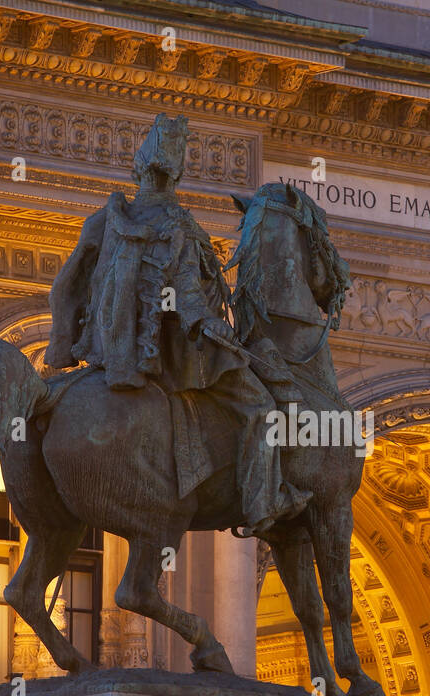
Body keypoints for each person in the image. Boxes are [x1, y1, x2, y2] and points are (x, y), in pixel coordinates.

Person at [46, 114, 309, 534]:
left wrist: (70, 342)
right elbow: (187, 294)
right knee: (261, 407)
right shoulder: (176, 224)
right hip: (178, 353)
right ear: (176, 170)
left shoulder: (105, 219)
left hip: (117, 354)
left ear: (140, 167)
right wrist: (211, 324)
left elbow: (67, 284)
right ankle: (264, 501)